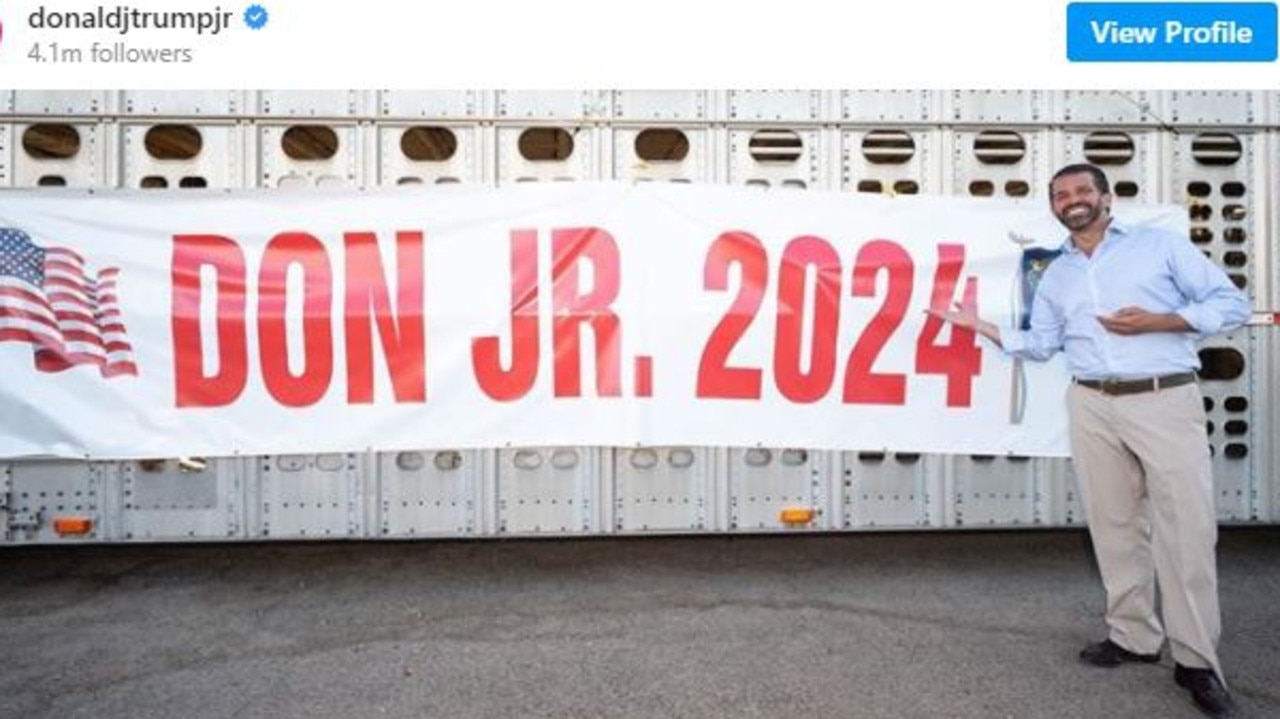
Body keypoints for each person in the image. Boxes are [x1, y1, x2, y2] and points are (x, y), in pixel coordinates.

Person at [928, 163, 1251, 717]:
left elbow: (1232, 306)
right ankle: (1133, 637)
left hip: (1163, 397)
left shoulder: (1159, 247)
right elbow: (1044, 342)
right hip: (1092, 402)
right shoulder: (1058, 273)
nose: (1072, 201)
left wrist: (1161, 320)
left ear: (1106, 197)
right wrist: (979, 326)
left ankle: (1196, 662)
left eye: (1082, 191)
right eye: (1061, 195)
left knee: (1185, 532)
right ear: (1054, 206)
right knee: (1115, 525)